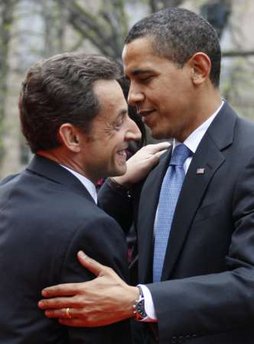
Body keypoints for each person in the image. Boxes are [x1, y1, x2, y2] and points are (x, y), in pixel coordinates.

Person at [38, 7, 254, 344]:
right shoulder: (150, 169)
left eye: (145, 78)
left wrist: (139, 302)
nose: (132, 96)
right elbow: (99, 247)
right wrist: (117, 187)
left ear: (198, 69)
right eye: (130, 81)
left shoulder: (248, 155)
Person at [0, 51, 169, 343]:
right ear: (73, 138)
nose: (133, 132)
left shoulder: (7, 192)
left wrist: (114, 188)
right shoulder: (91, 228)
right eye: (117, 122)